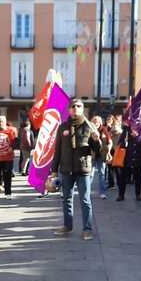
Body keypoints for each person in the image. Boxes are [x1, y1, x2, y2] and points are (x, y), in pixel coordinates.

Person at [50, 99, 101, 241]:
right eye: (73, 106)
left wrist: (96, 140)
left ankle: (88, 229)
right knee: (66, 199)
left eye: (78, 106)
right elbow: (57, 150)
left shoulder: (89, 126)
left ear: (82, 109)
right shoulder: (63, 127)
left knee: (85, 200)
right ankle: (67, 226)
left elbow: (98, 151)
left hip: (83, 169)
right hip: (66, 169)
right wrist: (54, 170)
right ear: (69, 109)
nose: (75, 108)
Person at [116, 126, 141, 202]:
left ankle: (138, 194)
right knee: (123, 177)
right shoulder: (126, 130)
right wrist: (125, 141)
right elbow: (120, 143)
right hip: (126, 158)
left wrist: (138, 137)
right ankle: (121, 195)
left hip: (137, 158)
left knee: (138, 177)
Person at [91, 115, 112, 199]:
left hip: (101, 155)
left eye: (97, 121)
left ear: (100, 122)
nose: (96, 123)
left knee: (102, 174)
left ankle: (102, 193)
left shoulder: (103, 129)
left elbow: (110, 142)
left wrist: (109, 152)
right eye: (94, 121)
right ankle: (86, 192)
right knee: (90, 175)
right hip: (91, 155)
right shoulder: (89, 129)